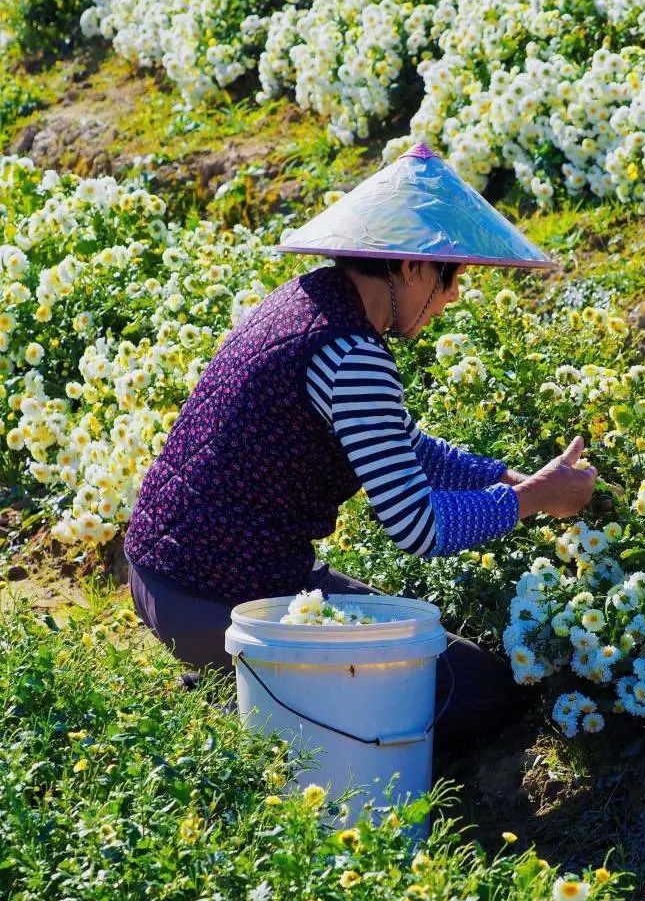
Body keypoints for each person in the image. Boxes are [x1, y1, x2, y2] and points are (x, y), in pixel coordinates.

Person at [124, 144, 597, 747]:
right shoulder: (353, 354)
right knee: (473, 691)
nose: (451, 298)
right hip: (211, 599)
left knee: (424, 656)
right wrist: (533, 500)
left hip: (172, 575)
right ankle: (248, 713)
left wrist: (504, 478)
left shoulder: (308, 299)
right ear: (412, 268)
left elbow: (396, 444)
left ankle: (244, 691)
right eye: (451, 277)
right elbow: (417, 527)